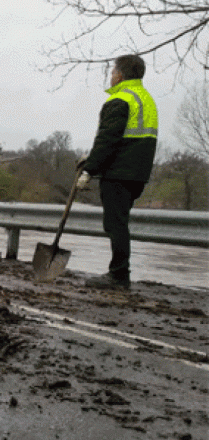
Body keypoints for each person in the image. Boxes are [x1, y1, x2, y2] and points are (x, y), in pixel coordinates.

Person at [78, 54, 158, 290]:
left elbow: (108, 140)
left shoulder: (120, 99)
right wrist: (90, 158)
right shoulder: (146, 99)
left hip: (118, 174)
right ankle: (119, 272)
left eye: (112, 72)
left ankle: (119, 275)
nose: (111, 76)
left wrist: (89, 170)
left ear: (120, 75)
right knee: (119, 222)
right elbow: (129, 139)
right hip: (137, 175)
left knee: (116, 224)